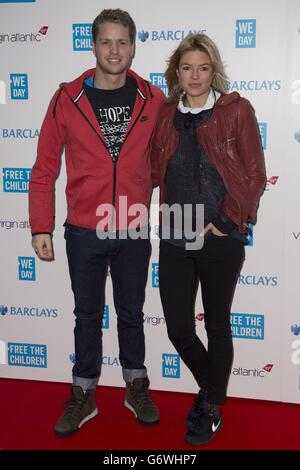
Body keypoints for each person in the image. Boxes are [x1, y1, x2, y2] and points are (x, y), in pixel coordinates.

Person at [29, 8, 164, 437]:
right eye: (106, 41)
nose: (114, 50)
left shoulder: (153, 99)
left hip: (133, 228)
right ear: (93, 44)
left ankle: (135, 386)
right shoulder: (66, 99)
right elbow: (44, 167)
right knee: (87, 314)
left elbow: (166, 161)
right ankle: (83, 393)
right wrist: (40, 226)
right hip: (84, 230)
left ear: (133, 46)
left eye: (122, 42)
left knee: (131, 312)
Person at [150, 33, 266, 445]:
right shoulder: (165, 115)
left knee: (217, 324)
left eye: (202, 67)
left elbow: (254, 176)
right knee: (179, 327)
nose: (195, 75)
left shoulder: (235, 112)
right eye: (186, 67)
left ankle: (211, 408)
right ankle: (213, 391)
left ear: (213, 71)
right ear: (176, 73)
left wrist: (225, 221)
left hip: (221, 237)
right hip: (175, 235)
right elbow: (150, 170)